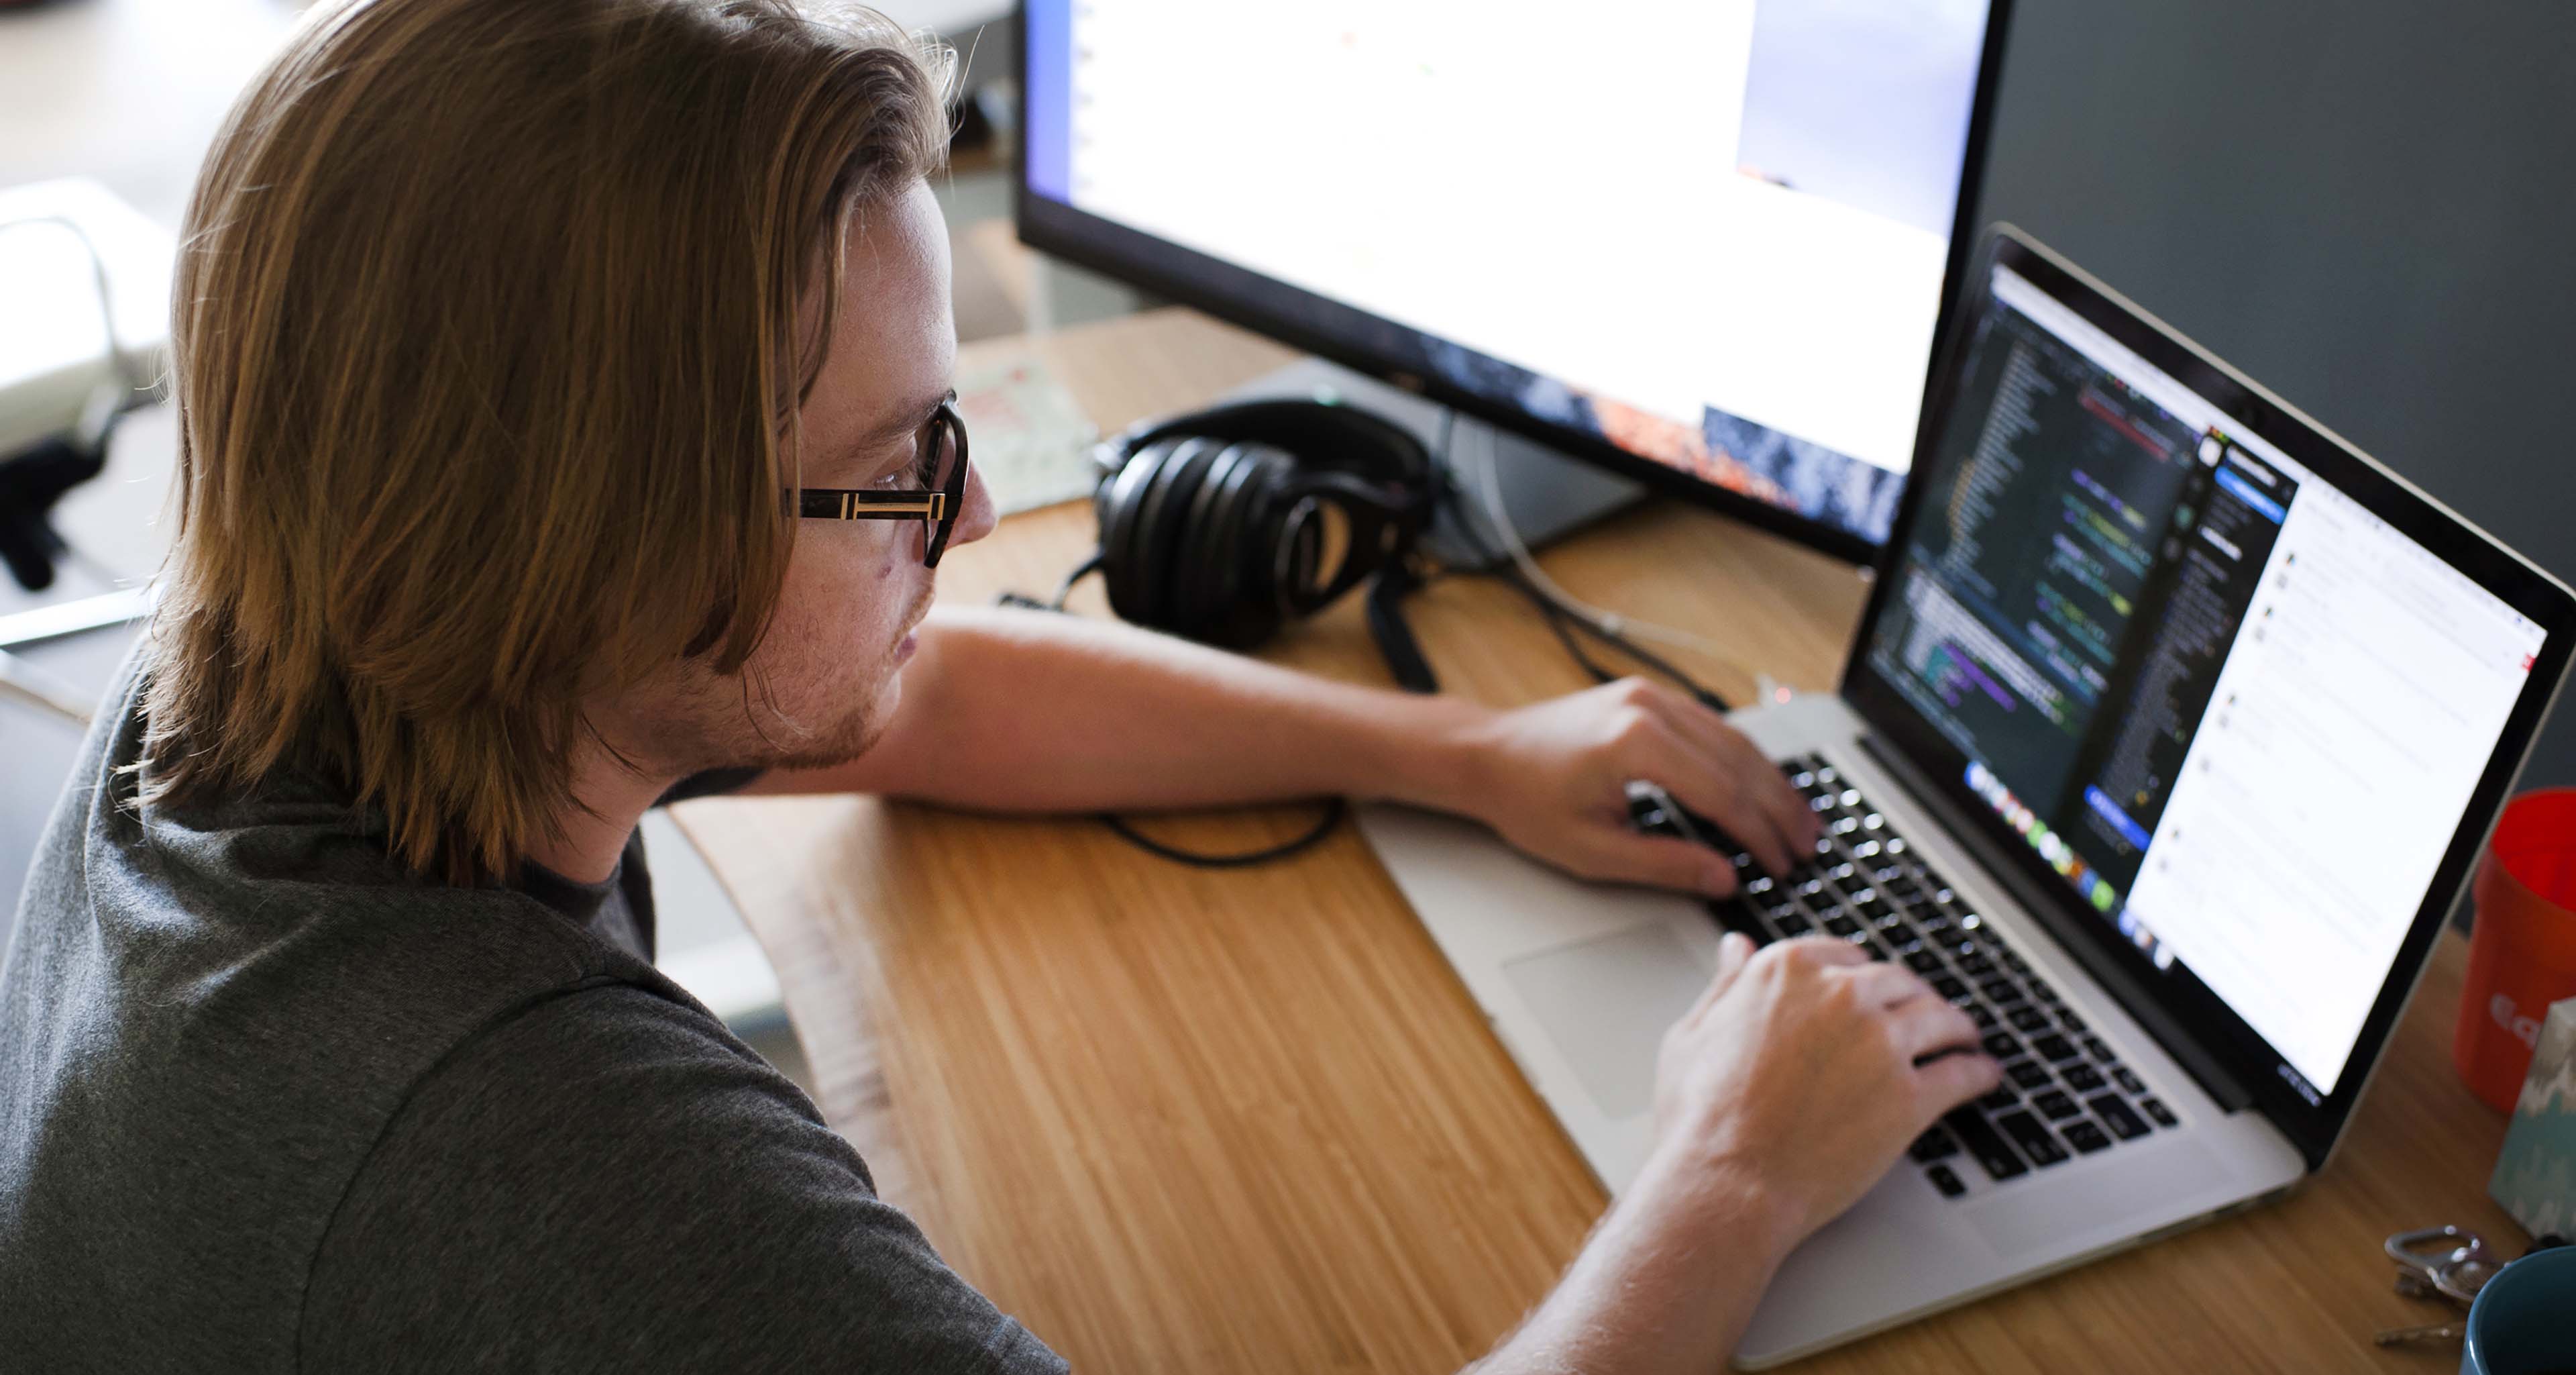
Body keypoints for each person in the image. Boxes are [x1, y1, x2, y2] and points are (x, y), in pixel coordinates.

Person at [0, 1, 2000, 1369]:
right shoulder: (567, 1174)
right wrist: (1724, 1178)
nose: (960, 535)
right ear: (609, 544)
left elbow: (928, 695)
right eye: (903, 469)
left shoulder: (280, 667)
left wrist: (1468, 749)